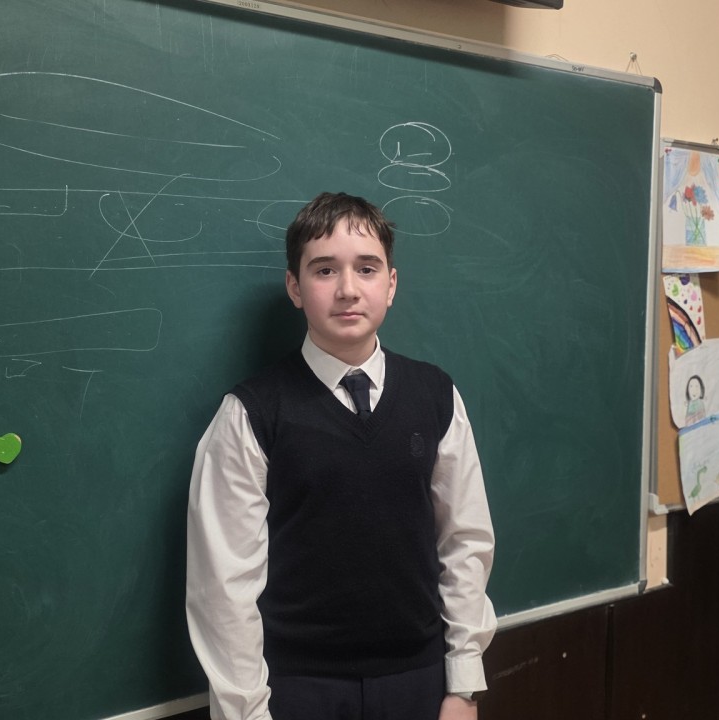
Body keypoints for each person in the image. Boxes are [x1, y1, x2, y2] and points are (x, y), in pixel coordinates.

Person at [186, 192, 497, 720]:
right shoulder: (251, 414)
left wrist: (463, 685)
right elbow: (223, 588)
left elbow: (464, 541)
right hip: (296, 690)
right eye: (325, 270)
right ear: (295, 287)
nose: (348, 289)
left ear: (391, 284)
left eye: (367, 269)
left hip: (421, 682)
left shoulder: (435, 396)